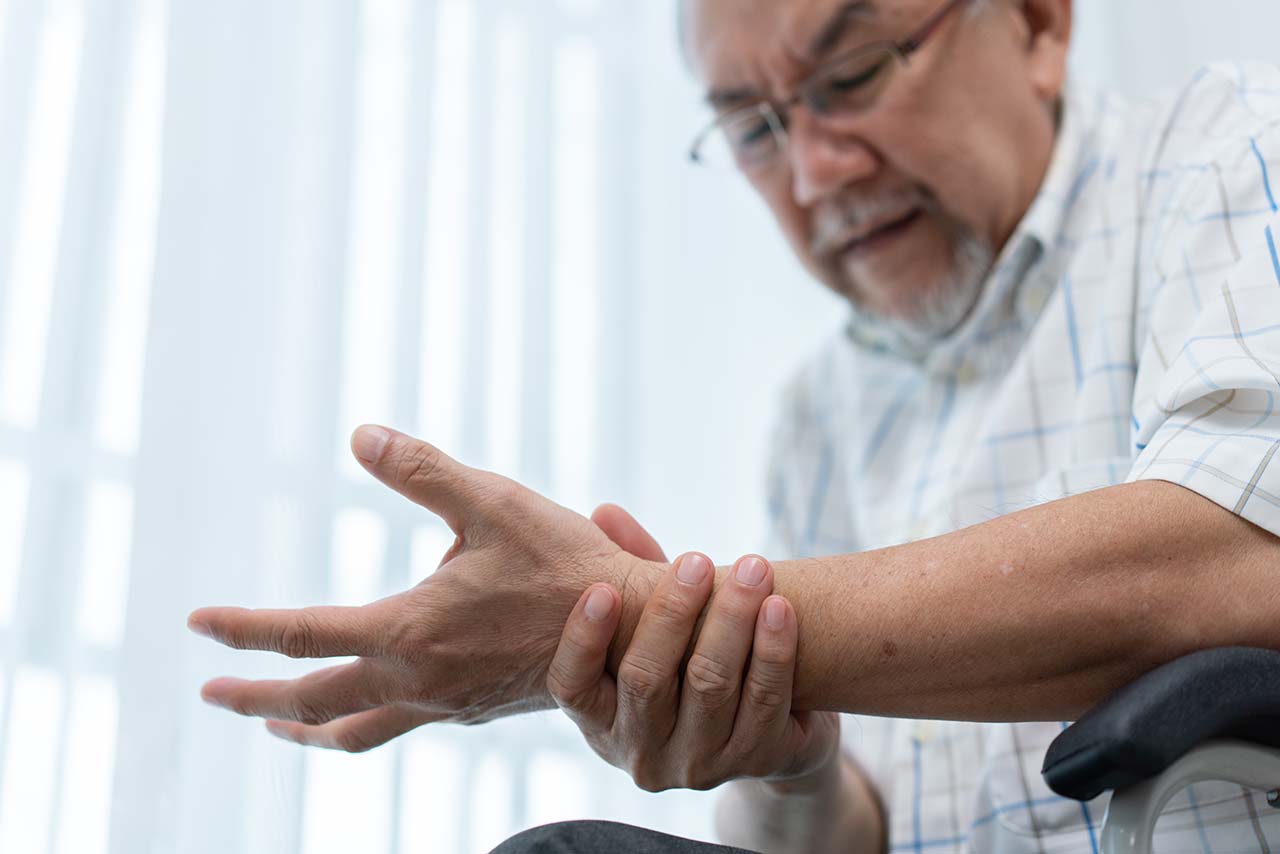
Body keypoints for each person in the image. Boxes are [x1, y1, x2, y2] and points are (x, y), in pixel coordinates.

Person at [189, 0, 1280, 850]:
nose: (813, 172)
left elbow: (1236, 563)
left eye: (850, 75)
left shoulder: (1230, 148)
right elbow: (858, 834)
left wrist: (632, 611)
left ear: (1038, 24)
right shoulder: (817, 420)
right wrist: (775, 752)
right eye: (753, 129)